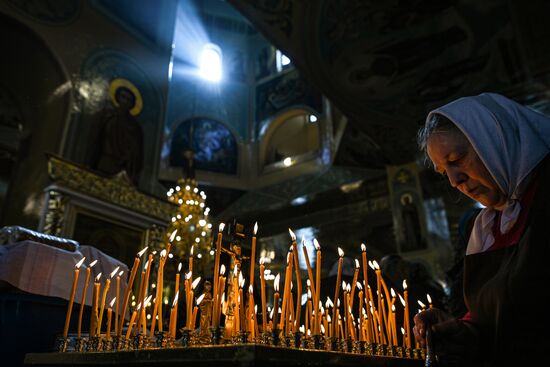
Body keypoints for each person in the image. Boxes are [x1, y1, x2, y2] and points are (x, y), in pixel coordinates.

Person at [413, 92, 550, 366]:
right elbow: (498, 321)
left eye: (457, 158)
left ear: (495, 139)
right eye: (444, 172)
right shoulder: (486, 228)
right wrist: (464, 331)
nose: (454, 180)